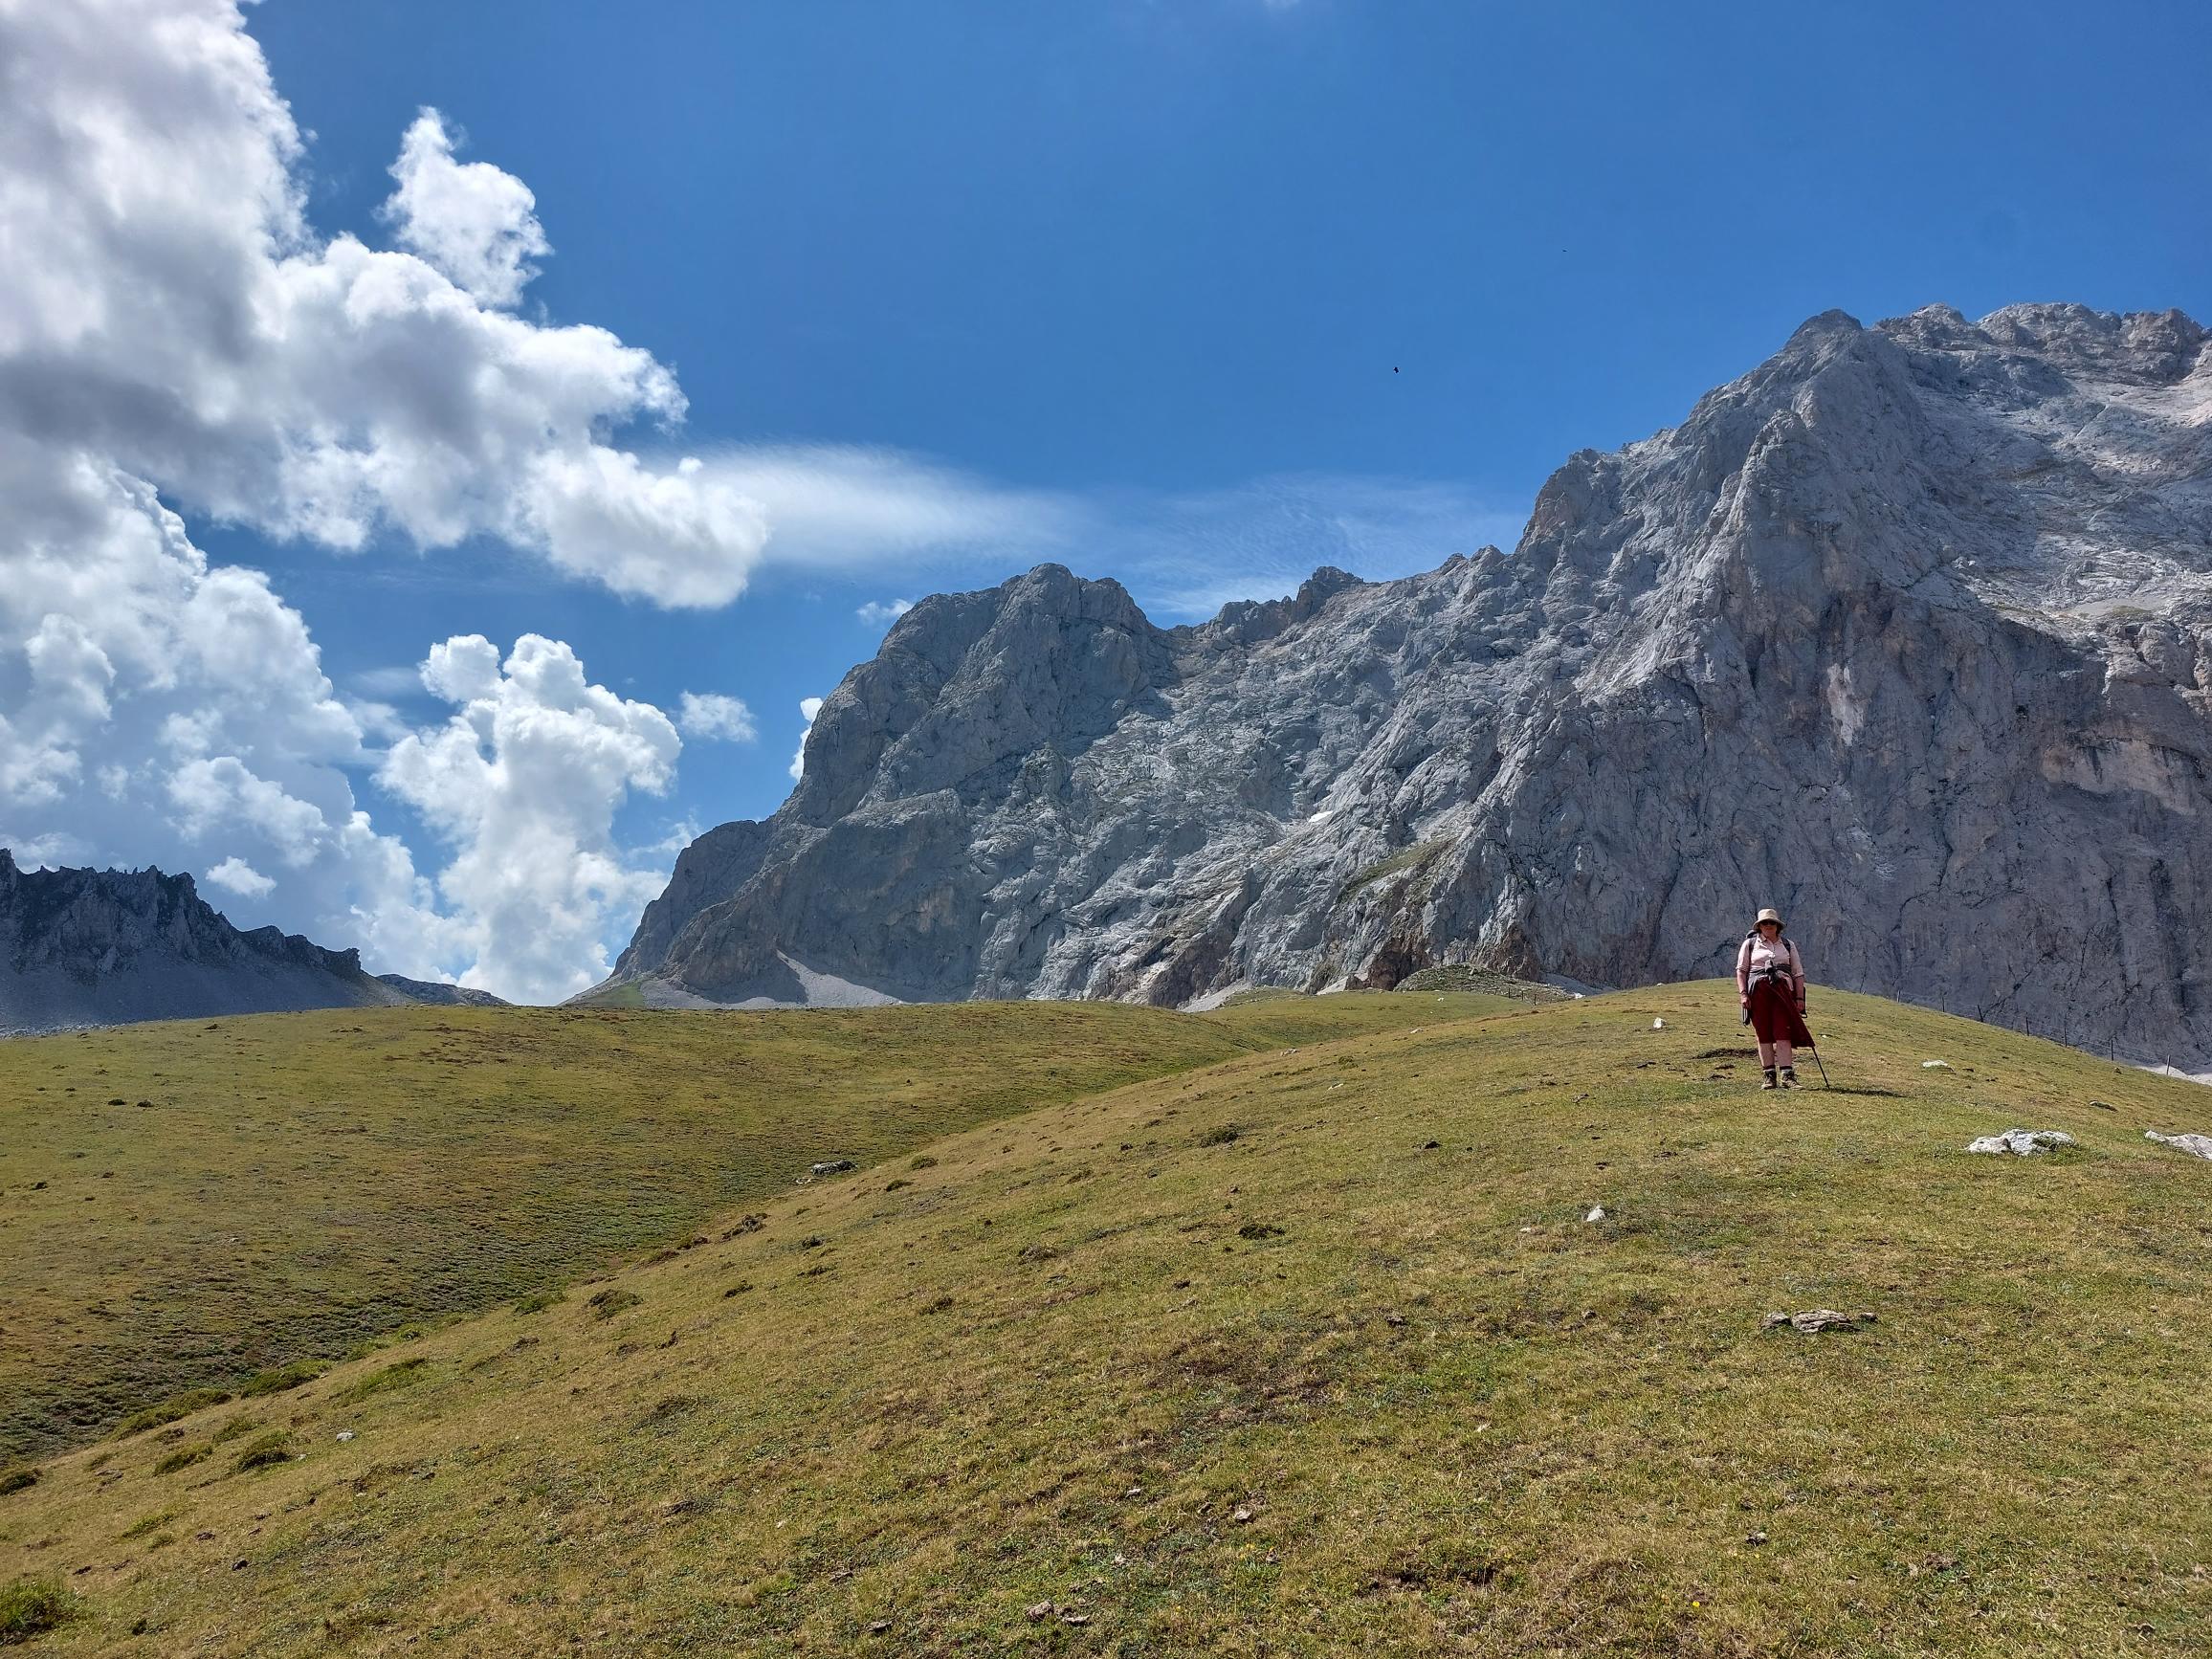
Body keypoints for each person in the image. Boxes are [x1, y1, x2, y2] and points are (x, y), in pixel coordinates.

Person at [1736, 907, 1813, 1089]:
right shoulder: (1750, 944)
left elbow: (1798, 973)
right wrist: (1743, 994)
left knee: (1782, 1031)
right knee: (1763, 1033)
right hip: (1758, 993)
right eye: (1764, 923)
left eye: (1771, 923)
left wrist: (1800, 999)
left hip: (1783, 993)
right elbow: (1741, 971)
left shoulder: (1788, 945)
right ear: (1759, 926)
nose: (1768, 925)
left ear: (1777, 926)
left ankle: (1787, 1076)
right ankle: (1769, 1076)